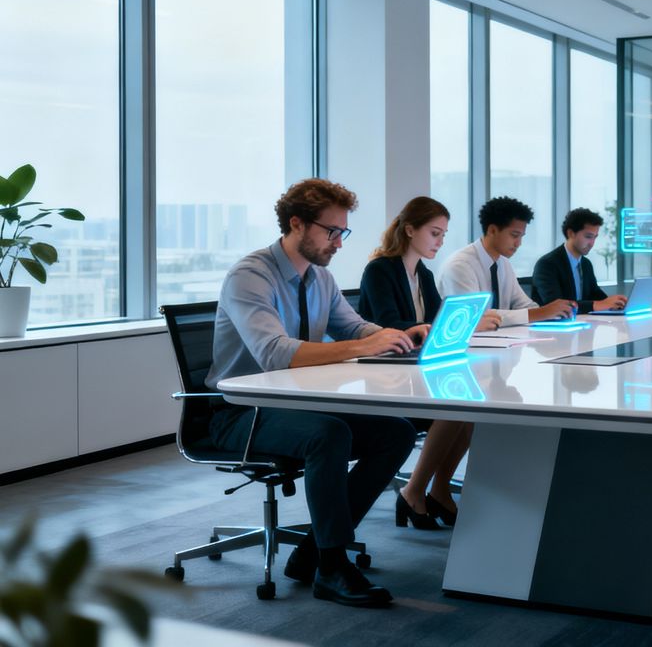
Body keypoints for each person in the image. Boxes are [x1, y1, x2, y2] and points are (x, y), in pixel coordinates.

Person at [205, 178, 421, 608]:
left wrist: (400, 336)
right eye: (331, 231)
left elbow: (354, 327)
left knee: (395, 431)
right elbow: (273, 354)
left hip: (294, 406)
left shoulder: (319, 278)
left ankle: (312, 551)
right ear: (297, 224)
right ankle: (333, 565)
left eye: (343, 232)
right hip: (239, 413)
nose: (339, 242)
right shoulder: (251, 276)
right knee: (328, 434)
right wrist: (365, 346)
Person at [357, 196, 499, 530]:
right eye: (435, 233)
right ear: (409, 230)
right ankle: (414, 491)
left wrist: (460, 324)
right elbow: (389, 325)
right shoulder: (380, 270)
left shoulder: (422, 272)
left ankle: (438, 489)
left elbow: (436, 320)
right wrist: (436, 328)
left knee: (471, 405)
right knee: (455, 404)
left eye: (443, 235)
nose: (440, 241)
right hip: (383, 373)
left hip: (414, 369)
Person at [437, 196, 575, 325]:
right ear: (492, 230)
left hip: (500, 343)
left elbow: (524, 305)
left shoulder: (503, 263)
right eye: (514, 235)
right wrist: (541, 313)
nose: (518, 243)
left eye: (521, 236)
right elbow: (474, 317)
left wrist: (555, 312)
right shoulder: (460, 266)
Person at [530, 207, 627, 314]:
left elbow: (596, 295)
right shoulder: (547, 264)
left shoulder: (586, 264)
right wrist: (597, 305)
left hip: (582, 323)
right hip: (553, 327)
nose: (592, 243)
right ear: (571, 233)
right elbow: (555, 304)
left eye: (595, 237)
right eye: (588, 236)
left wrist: (616, 303)